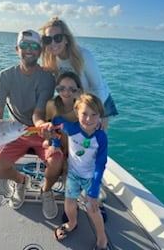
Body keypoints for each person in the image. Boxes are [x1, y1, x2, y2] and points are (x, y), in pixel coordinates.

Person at [0, 29, 63, 220]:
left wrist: (42, 126)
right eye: (24, 45)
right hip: (13, 131)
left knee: (57, 162)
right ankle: (21, 181)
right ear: (17, 49)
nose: (29, 50)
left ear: (40, 51)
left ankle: (46, 190)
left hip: (40, 131)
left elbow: (39, 112)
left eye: (34, 46)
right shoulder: (4, 77)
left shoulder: (47, 79)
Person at [39, 17, 118, 131]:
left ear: (66, 39)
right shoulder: (53, 60)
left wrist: (95, 116)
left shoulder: (84, 55)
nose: (53, 43)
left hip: (99, 102)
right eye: (47, 39)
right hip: (79, 104)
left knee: (94, 143)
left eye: (58, 38)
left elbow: (98, 87)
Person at [53, 93, 108, 250]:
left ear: (99, 117)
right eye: (84, 114)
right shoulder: (71, 128)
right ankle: (72, 223)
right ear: (77, 112)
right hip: (73, 174)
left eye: (94, 115)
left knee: (92, 208)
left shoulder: (101, 137)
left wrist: (94, 190)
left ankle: (102, 238)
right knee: (69, 202)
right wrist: (55, 142)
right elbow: (56, 121)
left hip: (91, 178)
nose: (89, 119)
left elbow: (101, 164)